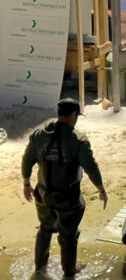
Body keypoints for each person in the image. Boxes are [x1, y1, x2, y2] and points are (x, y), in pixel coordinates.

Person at [22, 98, 108, 278]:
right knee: (68, 235)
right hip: (68, 198)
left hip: (43, 194)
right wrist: (101, 190)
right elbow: (91, 167)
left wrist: (27, 184)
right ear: (73, 115)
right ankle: (69, 272)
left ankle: (39, 269)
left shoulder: (39, 135)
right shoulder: (78, 140)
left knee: (45, 229)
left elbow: (27, 160)